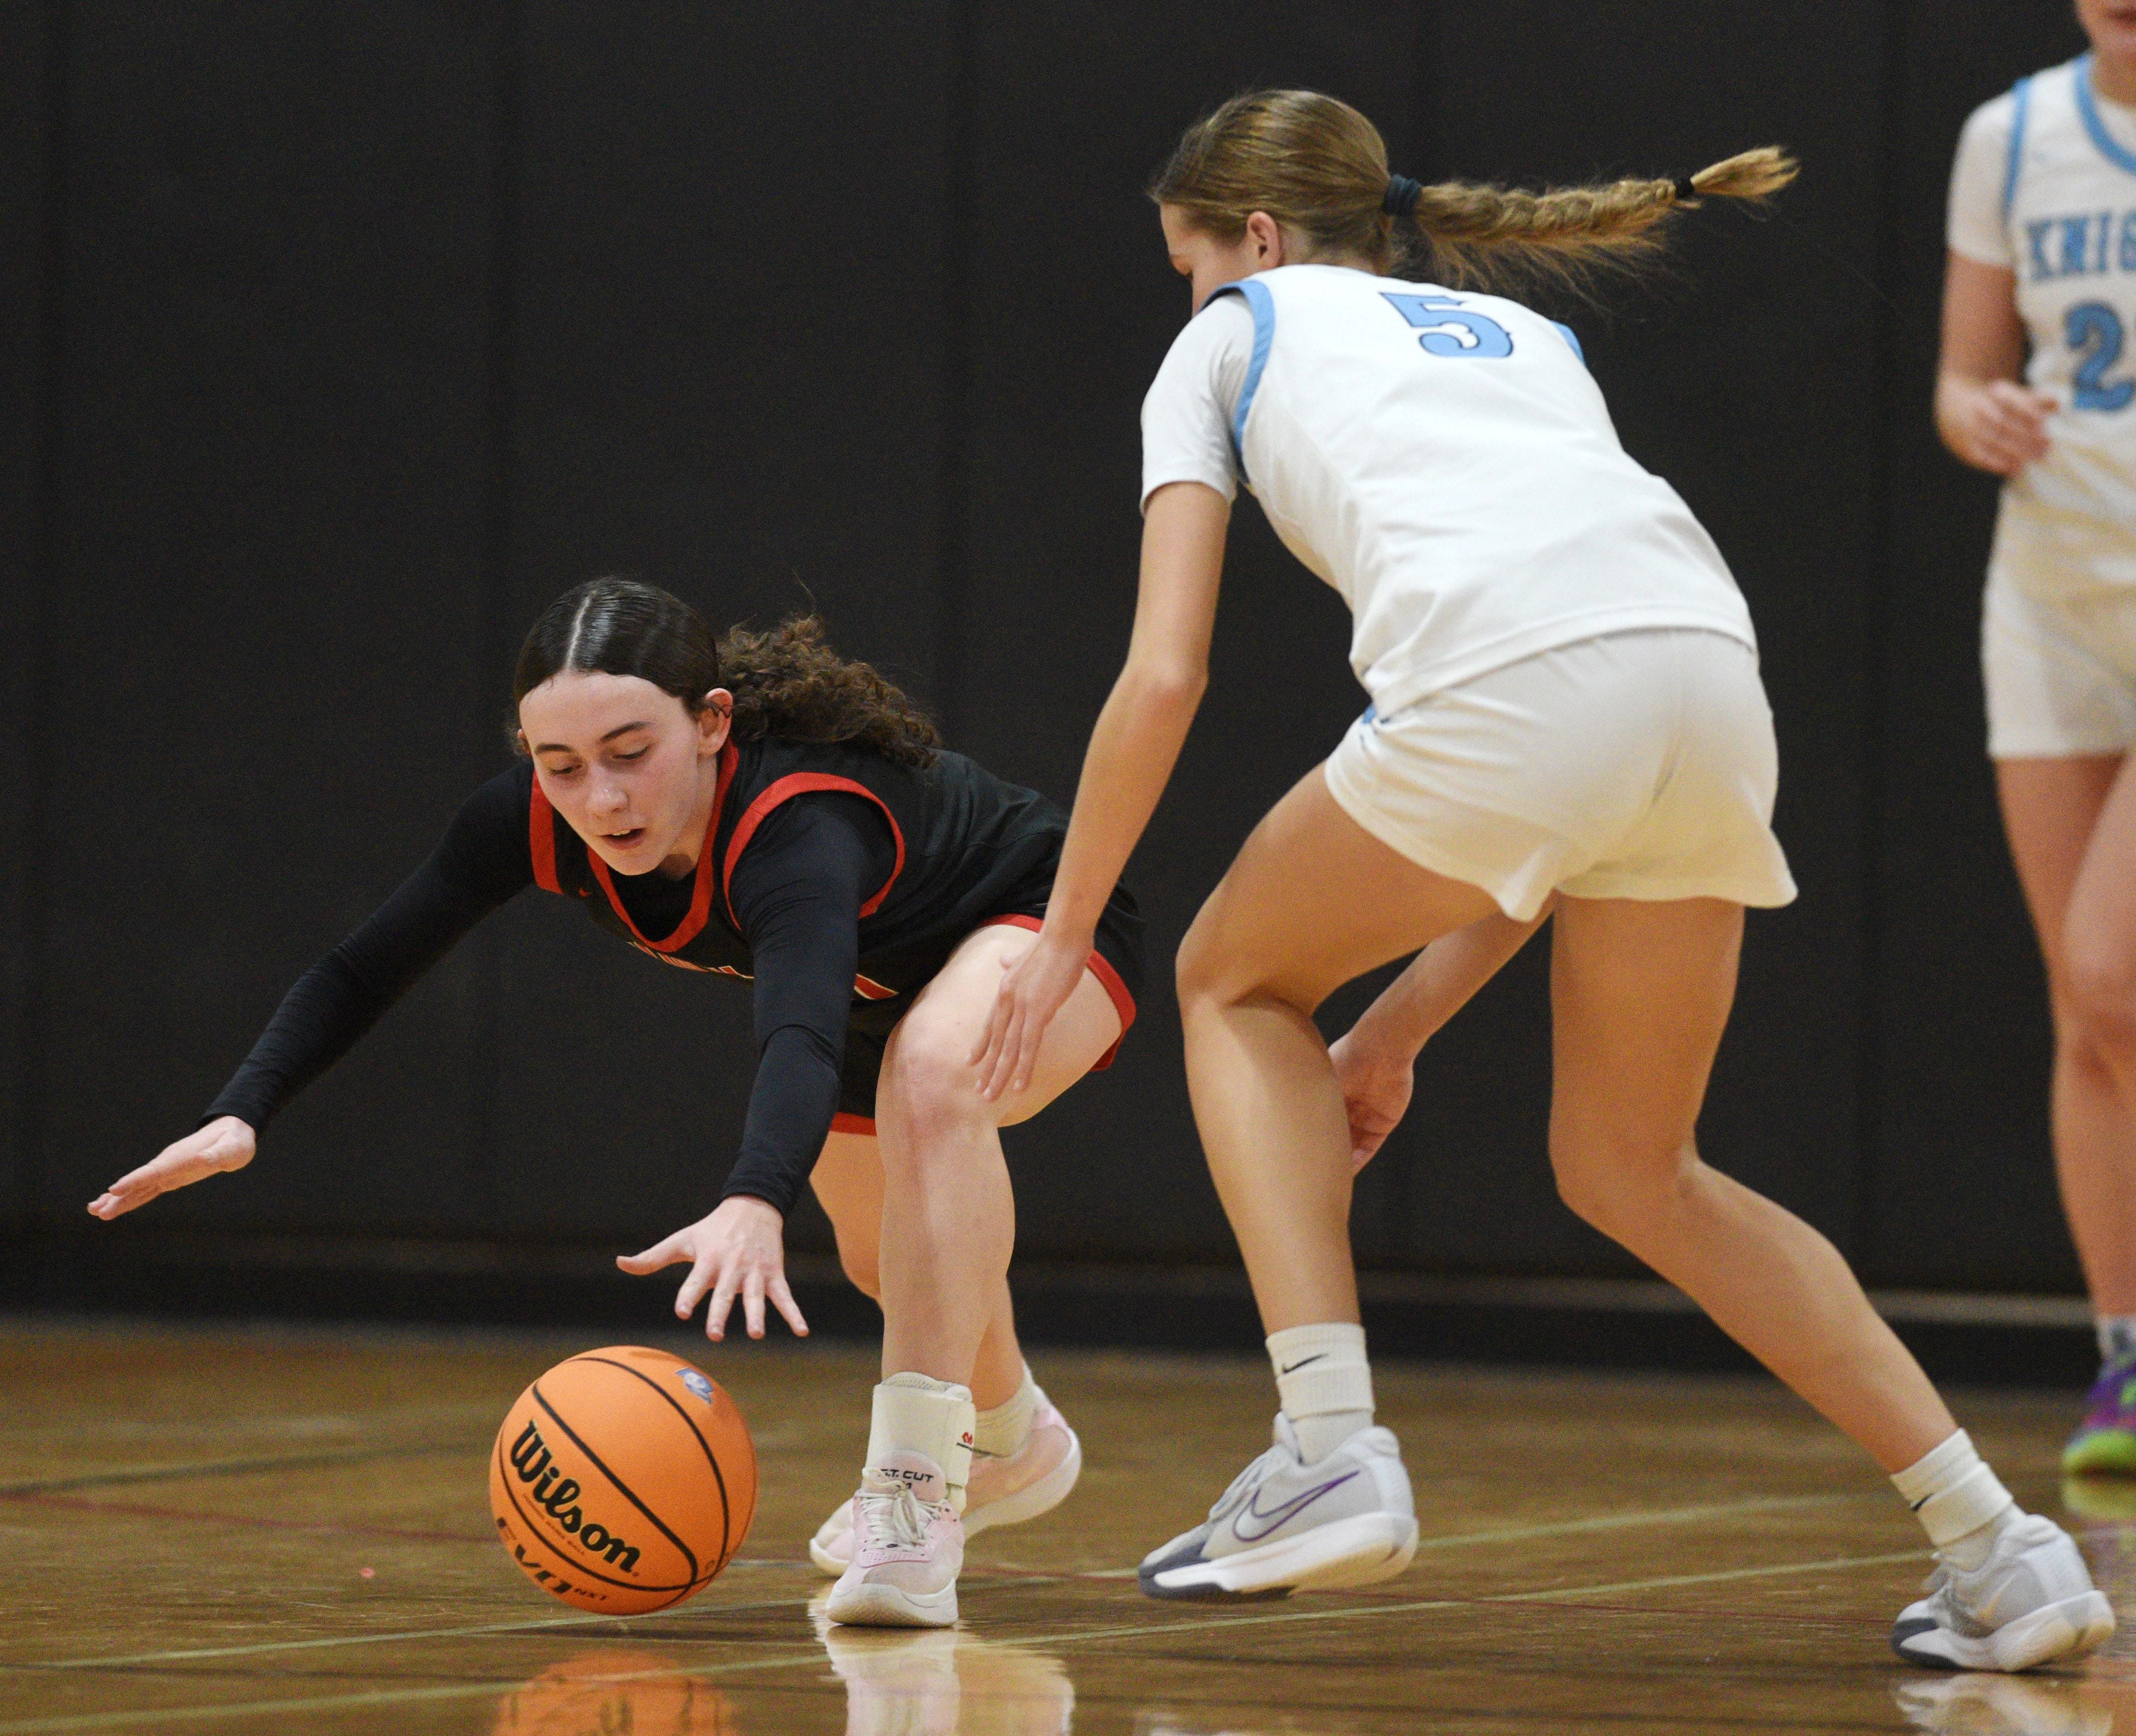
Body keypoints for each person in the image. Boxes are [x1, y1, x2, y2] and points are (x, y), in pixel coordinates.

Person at [969, 89, 2112, 1670]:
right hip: (1707, 677)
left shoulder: (1227, 335)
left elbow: (1164, 674)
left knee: (1228, 975)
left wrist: (1062, 930)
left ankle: (1325, 1442)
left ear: (1247, 237)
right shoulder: (1527, 341)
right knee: (1640, 1164)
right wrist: (1403, 1026)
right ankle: (2002, 1546)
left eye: (1189, 260)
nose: (1189, 290)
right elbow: (1570, 772)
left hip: (1522, 693)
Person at [87, 578, 1145, 1630]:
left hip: (1043, 918)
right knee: (890, 1259)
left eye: (632, 753)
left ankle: (912, 1494)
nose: (601, 799)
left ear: (712, 722)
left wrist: (754, 1196)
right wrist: (246, 1109)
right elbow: (363, 968)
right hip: (876, 991)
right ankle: (1011, 1437)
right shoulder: (535, 823)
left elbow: (799, 1032)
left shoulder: (797, 824)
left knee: (932, 1075)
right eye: (562, 767)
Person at [1940, 1, 2136, 1479]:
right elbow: (1957, 380)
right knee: (2091, 1015)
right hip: (2051, 598)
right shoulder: (2008, 135)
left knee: (2106, 964)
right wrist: (1979, 412)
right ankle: (2122, 1361)